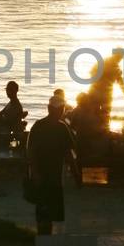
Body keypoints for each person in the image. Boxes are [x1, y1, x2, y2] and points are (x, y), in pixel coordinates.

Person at [26, 95, 77, 236]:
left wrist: (34, 171)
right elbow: (69, 153)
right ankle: (48, 241)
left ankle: (44, 238)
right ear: (61, 110)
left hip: (42, 175)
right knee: (52, 212)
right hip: (54, 177)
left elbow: (30, 151)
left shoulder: (38, 125)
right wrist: (76, 174)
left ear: (48, 108)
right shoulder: (62, 128)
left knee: (43, 211)